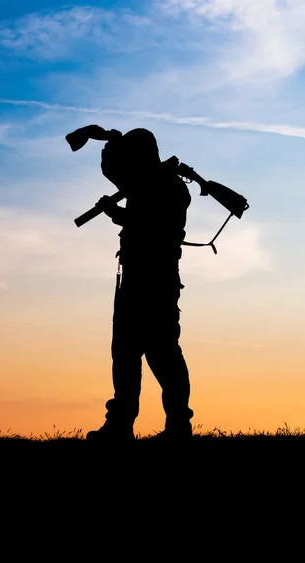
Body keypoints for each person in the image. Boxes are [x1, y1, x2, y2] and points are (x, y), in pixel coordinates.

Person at [86, 128, 194, 444]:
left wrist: (114, 212)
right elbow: (112, 168)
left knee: (162, 353)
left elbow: (153, 225)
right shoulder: (143, 182)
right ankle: (120, 425)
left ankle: (177, 426)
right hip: (137, 278)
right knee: (126, 352)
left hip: (155, 279)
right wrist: (111, 139)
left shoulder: (167, 187)